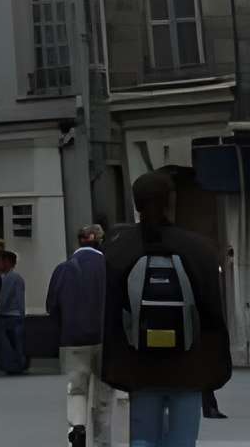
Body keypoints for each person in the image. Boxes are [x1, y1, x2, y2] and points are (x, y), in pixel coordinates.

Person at [101, 169, 231, 447]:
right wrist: (214, 367)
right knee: (182, 439)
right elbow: (213, 314)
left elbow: (110, 314)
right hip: (188, 366)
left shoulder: (118, 250)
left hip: (139, 366)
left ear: (136, 204)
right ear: (171, 202)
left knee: (143, 437)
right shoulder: (200, 249)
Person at [52, 223, 114, 447]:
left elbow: (52, 305)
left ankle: (77, 429)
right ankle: (101, 442)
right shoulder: (109, 266)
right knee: (104, 395)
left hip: (73, 340)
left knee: (76, 388)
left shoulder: (64, 268)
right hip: (105, 340)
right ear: (100, 240)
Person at [0, 248, 31, 375]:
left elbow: (5, 297)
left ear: (8, 262)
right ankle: (17, 364)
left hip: (9, 315)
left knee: (10, 343)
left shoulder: (11, 278)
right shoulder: (11, 277)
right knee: (16, 342)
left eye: (1, 261)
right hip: (14, 314)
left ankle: (14, 365)